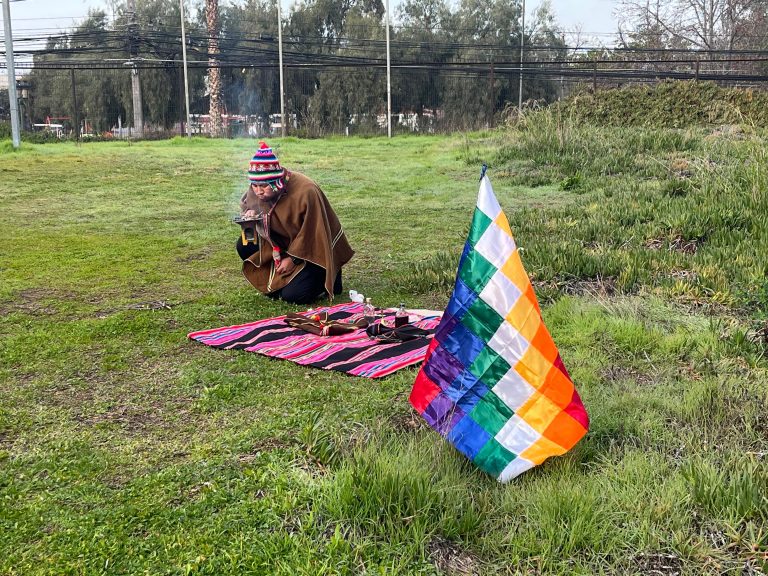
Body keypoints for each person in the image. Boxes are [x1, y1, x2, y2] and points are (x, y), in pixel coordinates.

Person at [235, 141, 354, 304]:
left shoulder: (306, 191)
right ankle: (282, 278)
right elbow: (251, 213)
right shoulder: (258, 189)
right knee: (245, 245)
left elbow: (313, 234)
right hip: (281, 244)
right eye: (254, 185)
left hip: (313, 248)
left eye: (263, 186)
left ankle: (329, 274)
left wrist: (293, 260)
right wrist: (249, 220)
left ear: (276, 181)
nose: (258, 191)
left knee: (294, 296)